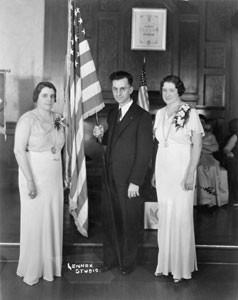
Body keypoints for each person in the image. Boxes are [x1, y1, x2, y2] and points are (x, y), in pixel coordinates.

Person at [93, 71, 153, 275]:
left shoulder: (142, 116)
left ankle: (127, 263)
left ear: (130, 89)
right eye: (115, 89)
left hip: (129, 181)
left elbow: (145, 153)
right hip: (110, 178)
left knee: (128, 221)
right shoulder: (112, 113)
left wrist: (136, 181)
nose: (118, 93)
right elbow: (114, 140)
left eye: (122, 89)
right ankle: (110, 259)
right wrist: (102, 136)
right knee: (111, 220)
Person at [152, 75, 204, 283]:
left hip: (182, 168)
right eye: (164, 90)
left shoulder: (190, 113)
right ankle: (165, 264)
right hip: (163, 167)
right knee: (165, 216)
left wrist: (190, 172)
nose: (167, 94)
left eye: (171, 90)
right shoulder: (160, 113)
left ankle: (181, 268)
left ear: (179, 91)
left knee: (181, 215)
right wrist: (156, 171)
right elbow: (159, 143)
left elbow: (197, 146)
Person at [14, 81, 65, 285]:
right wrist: (30, 181)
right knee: (35, 221)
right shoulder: (27, 119)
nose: (50, 100)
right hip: (34, 175)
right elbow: (18, 151)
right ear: (36, 97)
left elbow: (61, 146)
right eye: (45, 95)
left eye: (53, 96)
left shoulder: (58, 118)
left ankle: (50, 267)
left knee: (52, 218)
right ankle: (33, 268)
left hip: (54, 175)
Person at [197, 115, 228, 207]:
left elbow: (215, 148)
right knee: (200, 168)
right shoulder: (191, 134)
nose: (201, 124)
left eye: (203, 122)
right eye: (199, 122)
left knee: (213, 167)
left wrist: (201, 147)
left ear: (205, 124)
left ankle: (211, 200)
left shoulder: (210, 135)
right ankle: (203, 200)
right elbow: (191, 148)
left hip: (209, 157)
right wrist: (206, 148)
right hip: (197, 157)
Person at [223, 118, 238, 206]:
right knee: (235, 167)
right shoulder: (236, 136)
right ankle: (236, 199)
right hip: (235, 158)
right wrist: (228, 152)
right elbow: (226, 148)